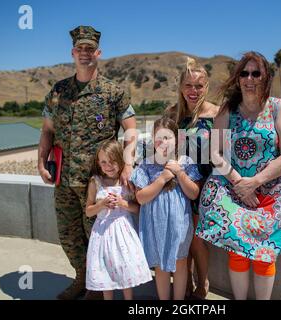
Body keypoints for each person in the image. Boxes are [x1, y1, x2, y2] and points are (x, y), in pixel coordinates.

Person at [37, 25, 137, 300]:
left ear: (98, 53)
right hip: (64, 181)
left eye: (89, 49)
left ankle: (98, 285)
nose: (85, 53)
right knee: (69, 237)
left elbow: (130, 130)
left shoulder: (112, 92)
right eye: (80, 48)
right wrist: (41, 162)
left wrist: (127, 164)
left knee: (98, 237)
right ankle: (82, 278)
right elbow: (47, 130)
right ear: (73, 52)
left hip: (98, 182)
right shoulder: (58, 91)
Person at [195, 51, 281, 300]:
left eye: (256, 73)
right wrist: (239, 183)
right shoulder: (228, 110)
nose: (249, 78)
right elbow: (215, 152)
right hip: (235, 187)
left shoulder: (279, 108)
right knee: (237, 249)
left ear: (266, 77)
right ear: (238, 78)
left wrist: (255, 182)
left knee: (264, 254)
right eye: (244, 73)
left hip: (272, 190)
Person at [130, 117, 203, 300]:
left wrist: (179, 173)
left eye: (167, 138)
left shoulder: (186, 162)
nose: (162, 143)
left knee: (180, 263)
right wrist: (162, 178)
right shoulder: (146, 165)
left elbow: (194, 193)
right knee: (160, 266)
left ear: (177, 139)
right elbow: (141, 197)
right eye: (158, 138)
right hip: (155, 225)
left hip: (179, 224)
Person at [166, 57, 219, 299]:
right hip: (178, 183)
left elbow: (225, 153)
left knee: (196, 238)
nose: (193, 91)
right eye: (188, 85)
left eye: (199, 86)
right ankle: (183, 281)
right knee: (180, 234)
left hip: (206, 183)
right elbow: (161, 146)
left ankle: (202, 283)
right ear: (181, 87)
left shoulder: (216, 113)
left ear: (206, 87)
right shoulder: (172, 114)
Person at [84, 140, 152, 300]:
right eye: (103, 162)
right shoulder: (95, 182)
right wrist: (101, 204)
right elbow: (88, 211)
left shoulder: (126, 182)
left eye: (113, 161)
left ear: (121, 160)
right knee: (104, 270)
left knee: (124, 267)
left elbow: (137, 208)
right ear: (98, 163)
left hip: (123, 231)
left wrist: (123, 203)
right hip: (102, 233)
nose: (108, 166)